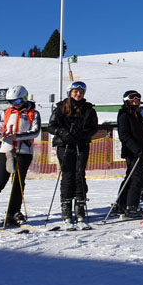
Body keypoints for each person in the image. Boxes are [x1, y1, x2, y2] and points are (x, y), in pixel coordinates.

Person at [48, 81, 99, 230]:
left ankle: (80, 210)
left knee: (79, 175)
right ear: (70, 92)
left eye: (81, 92)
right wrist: (64, 133)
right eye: (75, 92)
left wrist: (82, 134)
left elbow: (93, 127)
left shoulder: (88, 109)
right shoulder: (61, 107)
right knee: (68, 176)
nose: (78, 94)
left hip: (81, 145)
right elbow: (52, 126)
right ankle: (66, 211)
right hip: (65, 145)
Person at [0, 85, 41, 227]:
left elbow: (35, 132)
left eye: (17, 101)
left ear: (24, 99)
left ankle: (13, 212)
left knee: (18, 183)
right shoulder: (6, 112)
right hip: (6, 151)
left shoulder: (33, 113)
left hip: (24, 152)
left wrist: (17, 136)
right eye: (11, 101)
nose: (14, 104)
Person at [116, 90, 143, 218]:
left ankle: (122, 204)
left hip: (140, 151)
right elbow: (124, 135)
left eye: (138, 99)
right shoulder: (124, 115)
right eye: (132, 99)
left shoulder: (137, 115)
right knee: (137, 178)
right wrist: (137, 149)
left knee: (131, 177)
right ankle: (131, 206)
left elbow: (141, 136)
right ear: (126, 100)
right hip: (132, 152)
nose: (135, 101)